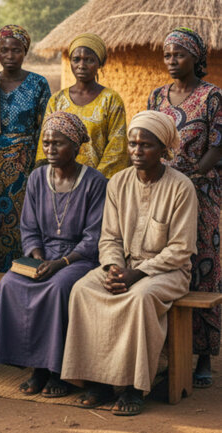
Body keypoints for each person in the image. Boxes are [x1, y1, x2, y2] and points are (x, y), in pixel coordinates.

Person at [61, 110, 197, 416]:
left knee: (138, 298)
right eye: (133, 144)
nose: (136, 151)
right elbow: (109, 237)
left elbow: (180, 249)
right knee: (84, 290)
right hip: (123, 265)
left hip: (168, 271)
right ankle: (97, 381)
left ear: (163, 149)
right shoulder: (118, 183)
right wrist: (112, 268)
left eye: (145, 145)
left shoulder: (181, 187)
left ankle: (134, 388)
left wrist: (138, 273)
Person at [0, 111, 107, 398]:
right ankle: (36, 368)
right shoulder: (36, 178)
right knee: (11, 283)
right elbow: (28, 227)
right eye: (46, 143)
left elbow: (94, 237)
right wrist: (38, 256)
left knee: (57, 288)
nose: (50, 149)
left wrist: (60, 263)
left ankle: (57, 372)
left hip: (79, 259)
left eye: (59, 143)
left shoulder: (94, 182)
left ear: (76, 146)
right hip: (44, 255)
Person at [147, 27, 222, 389]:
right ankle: (168, 352)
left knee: (203, 266)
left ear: (196, 57)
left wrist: (190, 178)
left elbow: (218, 145)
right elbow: (150, 138)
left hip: (201, 193)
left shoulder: (212, 96)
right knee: (166, 260)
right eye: (167, 55)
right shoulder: (157, 96)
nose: (172, 60)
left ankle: (203, 355)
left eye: (179, 54)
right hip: (162, 192)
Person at [0, 25, 51, 272]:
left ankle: (21, 278)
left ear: (25, 52)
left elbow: (45, 127)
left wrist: (39, 167)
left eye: (16, 50)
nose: (10, 55)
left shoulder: (38, 84)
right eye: (4, 50)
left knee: (24, 222)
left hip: (25, 167)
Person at [35, 33, 128, 179]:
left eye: (89, 60)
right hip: (60, 180)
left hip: (98, 182)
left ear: (100, 63)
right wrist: (49, 177)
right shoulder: (57, 100)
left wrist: (93, 180)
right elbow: (45, 142)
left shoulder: (111, 100)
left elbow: (117, 146)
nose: (81, 65)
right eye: (76, 59)